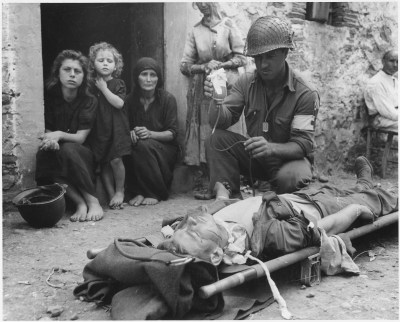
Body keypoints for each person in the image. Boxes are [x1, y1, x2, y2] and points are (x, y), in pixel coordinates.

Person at [158, 156, 398, 265]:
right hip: (321, 208)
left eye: (186, 225)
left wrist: (174, 231)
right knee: (378, 200)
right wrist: (356, 211)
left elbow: (206, 213)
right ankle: (366, 188)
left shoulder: (212, 222)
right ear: (216, 256)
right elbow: (320, 230)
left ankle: (363, 183)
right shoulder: (269, 236)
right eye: (194, 233)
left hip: (296, 196)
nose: (191, 223)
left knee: (333, 188)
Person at [198, 15, 320, 200]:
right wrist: (216, 102)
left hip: (290, 161)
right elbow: (221, 121)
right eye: (257, 58)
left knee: (292, 179)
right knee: (215, 140)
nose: (263, 65)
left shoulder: (305, 93)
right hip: (256, 158)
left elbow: (302, 145)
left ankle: (284, 203)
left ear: (285, 53)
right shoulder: (246, 81)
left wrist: (271, 148)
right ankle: (228, 199)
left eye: (270, 57)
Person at [35, 49, 104, 222]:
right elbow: (49, 130)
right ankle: (79, 202)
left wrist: (58, 135)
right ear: (58, 73)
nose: (72, 75)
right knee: (46, 153)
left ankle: (93, 201)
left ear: (83, 77)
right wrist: (51, 141)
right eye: (67, 70)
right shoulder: (50, 98)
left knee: (68, 149)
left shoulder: (89, 101)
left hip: (83, 153)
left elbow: (80, 138)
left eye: (77, 71)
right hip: (62, 150)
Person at [180, 2, 247, 166]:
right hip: (203, 85)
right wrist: (204, 66)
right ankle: (206, 172)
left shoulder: (228, 25)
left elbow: (242, 57)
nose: (202, 5)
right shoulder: (195, 31)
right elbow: (184, 65)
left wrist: (222, 65)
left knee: (226, 120)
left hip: (228, 81)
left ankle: (232, 170)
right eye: (198, 2)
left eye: (205, 1)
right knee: (206, 125)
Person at [123, 57, 179, 206]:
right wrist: (130, 133)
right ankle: (139, 191)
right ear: (137, 77)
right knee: (131, 146)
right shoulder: (129, 101)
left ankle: (154, 192)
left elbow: (172, 133)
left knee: (143, 145)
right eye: (144, 74)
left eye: (153, 75)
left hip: (165, 149)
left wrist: (150, 134)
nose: (148, 79)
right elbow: (123, 128)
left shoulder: (168, 99)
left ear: (158, 78)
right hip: (139, 148)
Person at [87, 42, 131, 209]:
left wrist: (104, 88)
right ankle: (111, 193)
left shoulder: (118, 83)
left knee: (116, 160)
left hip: (116, 128)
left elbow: (119, 103)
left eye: (109, 61)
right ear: (93, 64)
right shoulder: (91, 85)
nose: (105, 63)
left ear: (115, 66)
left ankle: (120, 191)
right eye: (101, 60)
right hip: (99, 128)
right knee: (103, 162)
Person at [364, 49, 398, 132]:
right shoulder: (376, 83)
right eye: (391, 61)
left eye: (398, 62)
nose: (395, 65)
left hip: (393, 117)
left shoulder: (394, 80)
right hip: (380, 119)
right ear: (383, 62)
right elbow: (387, 112)